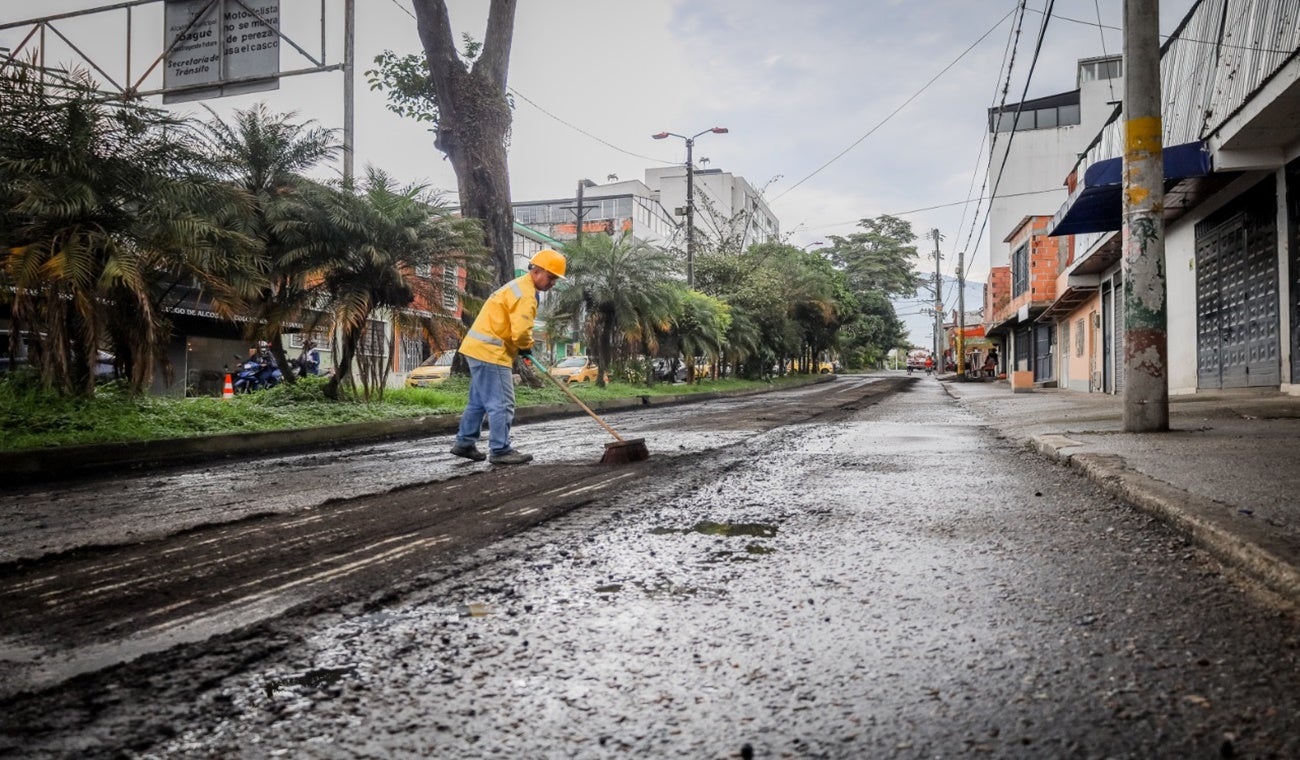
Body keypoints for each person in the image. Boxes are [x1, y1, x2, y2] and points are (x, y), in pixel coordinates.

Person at [450, 248, 566, 465]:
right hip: (492, 353)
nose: (553, 283)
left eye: (555, 280)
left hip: (477, 349)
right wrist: (526, 347)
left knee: (478, 402)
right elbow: (521, 332)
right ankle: (500, 450)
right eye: (551, 277)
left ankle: (465, 442)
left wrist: (522, 348)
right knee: (502, 403)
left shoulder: (519, 286)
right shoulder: (526, 295)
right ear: (537, 271)